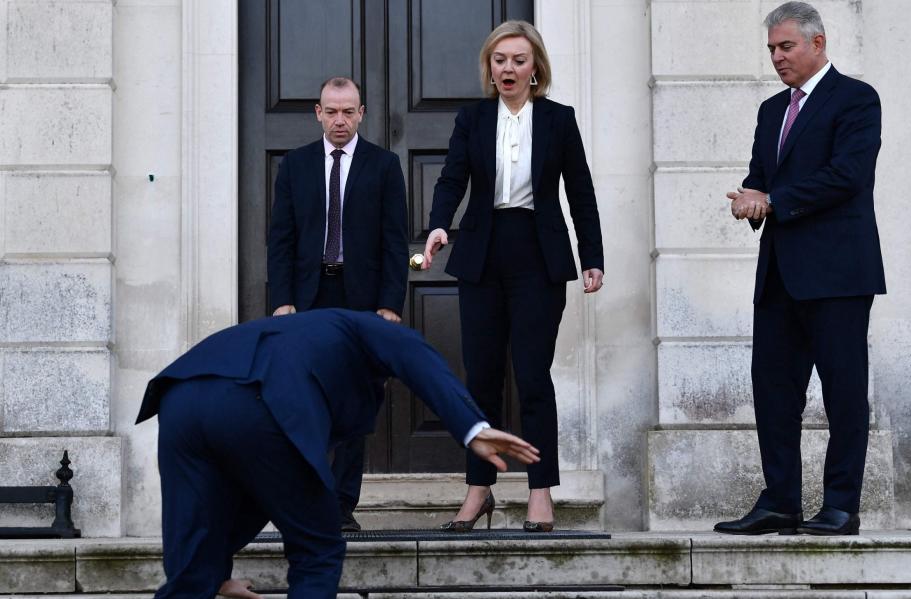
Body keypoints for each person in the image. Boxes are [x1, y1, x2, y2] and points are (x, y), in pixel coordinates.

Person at [135, 308, 540, 598]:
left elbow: (250, 500)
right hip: (259, 398)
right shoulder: (364, 326)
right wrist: (473, 428)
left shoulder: (303, 335)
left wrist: (214, 574)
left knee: (191, 564)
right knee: (319, 548)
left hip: (181, 396)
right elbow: (413, 352)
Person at [421, 20, 604, 533]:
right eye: (499, 59)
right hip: (482, 252)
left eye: (518, 60)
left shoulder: (559, 120)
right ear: (490, 66)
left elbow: (581, 192)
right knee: (480, 377)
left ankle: (540, 491)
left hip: (539, 255)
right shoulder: (473, 119)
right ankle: (479, 491)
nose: (508, 68)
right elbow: (453, 176)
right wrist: (438, 225)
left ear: (535, 68)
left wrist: (593, 255)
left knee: (532, 377)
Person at [715, 1, 884, 537]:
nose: (777, 57)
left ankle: (840, 505)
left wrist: (774, 201)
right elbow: (762, 175)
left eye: (785, 46)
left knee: (842, 391)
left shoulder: (856, 98)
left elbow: (847, 176)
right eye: (771, 49)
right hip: (780, 273)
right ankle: (780, 502)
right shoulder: (771, 110)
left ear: (818, 43)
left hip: (838, 273)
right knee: (772, 390)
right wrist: (747, 199)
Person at [267, 76, 408, 531]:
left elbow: (393, 241)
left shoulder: (384, 166)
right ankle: (309, 499)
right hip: (310, 297)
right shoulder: (295, 166)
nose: (340, 120)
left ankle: (343, 505)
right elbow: (281, 241)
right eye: (332, 111)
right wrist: (281, 301)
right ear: (318, 112)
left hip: (362, 299)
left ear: (362, 113)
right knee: (306, 398)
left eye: (349, 112)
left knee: (354, 401)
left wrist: (389, 304)